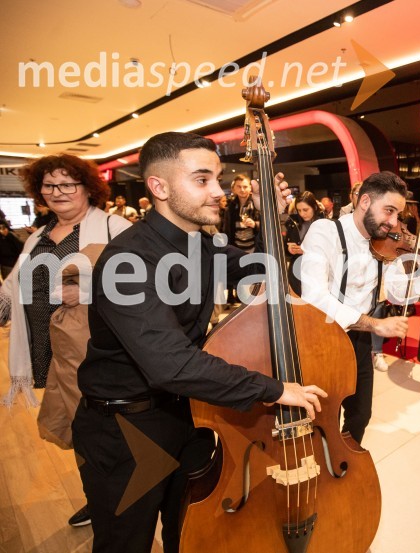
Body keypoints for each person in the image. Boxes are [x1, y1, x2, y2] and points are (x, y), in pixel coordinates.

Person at [72, 132, 326, 553]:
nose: (219, 192)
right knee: (125, 543)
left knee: (188, 535)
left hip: (184, 417)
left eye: (219, 179)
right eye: (203, 180)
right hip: (126, 431)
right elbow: (171, 364)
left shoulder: (199, 245)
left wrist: (273, 221)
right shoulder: (127, 261)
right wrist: (276, 388)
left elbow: (267, 272)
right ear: (160, 187)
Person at [0, 153, 132, 528]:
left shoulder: (113, 227)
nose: (58, 192)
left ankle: (126, 499)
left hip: (93, 346)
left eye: (67, 184)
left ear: (88, 188)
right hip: (47, 345)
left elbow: (146, 280)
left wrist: (90, 290)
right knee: (78, 424)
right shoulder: (39, 236)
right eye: (49, 185)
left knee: (107, 426)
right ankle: (98, 497)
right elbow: (12, 287)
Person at [299, 171, 420, 445]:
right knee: (322, 418)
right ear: (364, 202)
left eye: (398, 215)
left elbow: (397, 289)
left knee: (360, 415)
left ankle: (346, 467)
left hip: (359, 339)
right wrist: (376, 324)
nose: (394, 223)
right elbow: (315, 296)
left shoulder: (383, 245)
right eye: (389, 211)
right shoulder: (326, 232)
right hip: (322, 341)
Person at [285, 190, 326, 294]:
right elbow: (285, 248)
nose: (302, 214)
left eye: (305, 210)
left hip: (317, 271)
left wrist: (307, 250)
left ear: (314, 207)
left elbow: (329, 250)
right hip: (297, 271)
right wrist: (289, 248)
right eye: (299, 210)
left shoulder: (324, 224)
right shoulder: (292, 223)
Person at [223, 174, 260, 253]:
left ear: (250, 188)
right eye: (239, 187)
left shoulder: (257, 204)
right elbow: (227, 229)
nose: (242, 190)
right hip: (236, 249)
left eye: (245, 187)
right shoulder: (230, 206)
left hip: (255, 249)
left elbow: (266, 225)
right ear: (234, 189)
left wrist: (255, 224)